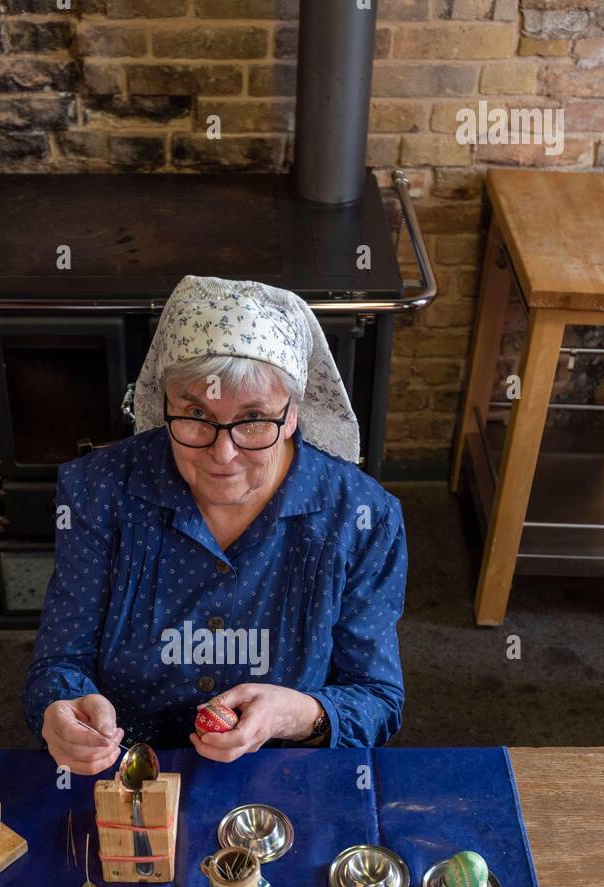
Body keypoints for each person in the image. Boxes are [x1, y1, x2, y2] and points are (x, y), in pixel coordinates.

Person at [24, 275, 407, 775]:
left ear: (293, 414)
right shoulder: (99, 491)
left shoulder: (360, 516)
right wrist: (60, 710)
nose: (222, 454)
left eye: (253, 420)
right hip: (126, 765)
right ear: (163, 402)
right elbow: (58, 663)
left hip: (280, 770)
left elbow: (377, 699)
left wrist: (298, 715)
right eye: (195, 415)